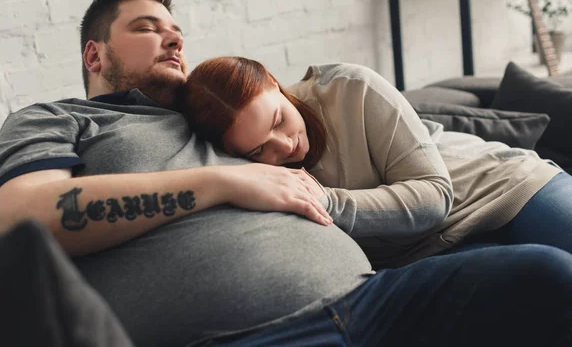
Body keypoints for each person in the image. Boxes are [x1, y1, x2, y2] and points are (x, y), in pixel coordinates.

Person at [0, 0, 572, 347]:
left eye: (177, 30)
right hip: (243, 335)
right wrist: (220, 181)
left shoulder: (207, 115)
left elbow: (296, 106)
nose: (173, 38)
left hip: (379, 299)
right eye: (147, 28)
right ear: (95, 52)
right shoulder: (54, 119)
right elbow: (30, 218)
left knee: (547, 277)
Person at [181, 56, 572, 267]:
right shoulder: (243, 174)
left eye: (279, 119)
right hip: (426, 252)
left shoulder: (349, 88)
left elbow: (435, 196)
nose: (283, 147)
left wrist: (327, 201)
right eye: (258, 150)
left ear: (273, 81)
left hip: (508, 187)